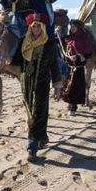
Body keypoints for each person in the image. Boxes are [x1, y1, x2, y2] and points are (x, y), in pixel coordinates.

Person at [20, 13, 63, 161]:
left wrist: (57, 87)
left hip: (42, 84)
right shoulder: (23, 42)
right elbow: (16, 62)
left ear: (43, 27)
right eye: (34, 26)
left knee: (37, 113)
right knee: (32, 112)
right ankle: (42, 137)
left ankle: (31, 147)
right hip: (26, 84)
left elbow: (55, 67)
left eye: (39, 26)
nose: (36, 28)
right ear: (30, 27)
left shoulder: (49, 45)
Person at [61, 20, 94, 115]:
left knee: (75, 87)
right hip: (68, 67)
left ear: (78, 28)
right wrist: (58, 33)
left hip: (78, 67)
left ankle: (73, 107)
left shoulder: (83, 38)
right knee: (67, 86)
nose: (72, 28)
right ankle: (70, 104)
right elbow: (61, 41)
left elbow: (88, 52)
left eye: (74, 27)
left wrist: (79, 56)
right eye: (71, 27)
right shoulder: (69, 38)